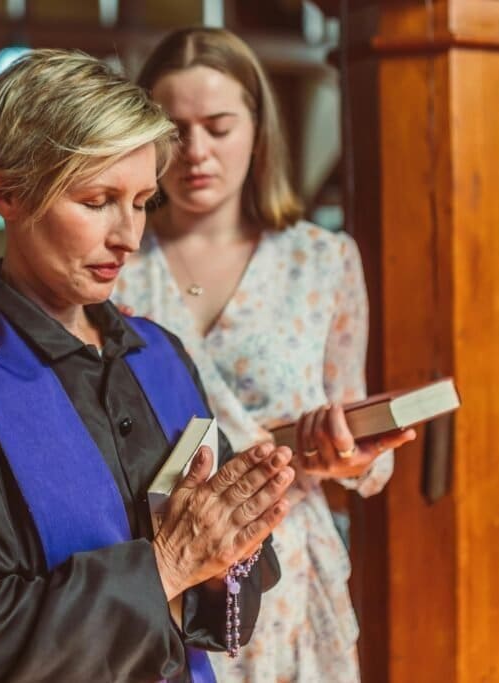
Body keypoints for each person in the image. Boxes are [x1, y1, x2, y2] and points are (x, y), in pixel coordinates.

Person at [0, 49, 297, 683]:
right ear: (5, 192)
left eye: (143, 201)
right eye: (98, 200)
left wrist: (237, 537)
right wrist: (169, 566)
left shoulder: (161, 355)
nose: (128, 235)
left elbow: (232, 580)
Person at [112, 27, 416, 682]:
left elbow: (364, 461)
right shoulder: (112, 263)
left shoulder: (320, 259)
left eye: (218, 126)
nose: (195, 151)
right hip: (158, 568)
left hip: (287, 573)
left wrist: (346, 453)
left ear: (258, 126)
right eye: (174, 128)